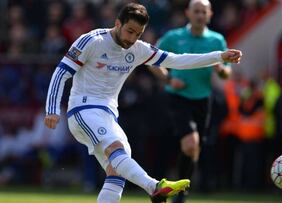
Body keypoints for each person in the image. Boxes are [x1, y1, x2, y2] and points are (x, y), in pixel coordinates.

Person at [43, 3, 242, 203]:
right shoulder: (92, 41)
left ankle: (151, 188)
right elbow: (61, 73)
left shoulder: (139, 49)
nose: (131, 39)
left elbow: (177, 60)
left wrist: (218, 57)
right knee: (116, 149)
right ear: (117, 23)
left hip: (109, 115)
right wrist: (52, 109)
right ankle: (155, 187)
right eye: (129, 31)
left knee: (118, 170)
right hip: (82, 110)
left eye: (138, 34)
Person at [149, 0, 232, 202]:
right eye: (196, 11)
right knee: (190, 143)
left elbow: (226, 73)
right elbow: (152, 60)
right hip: (178, 97)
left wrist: (221, 70)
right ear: (188, 13)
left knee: (194, 148)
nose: (200, 15)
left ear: (210, 14)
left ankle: (180, 189)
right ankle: (179, 193)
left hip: (203, 99)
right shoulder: (173, 37)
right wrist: (169, 78)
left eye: (204, 12)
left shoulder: (216, 40)